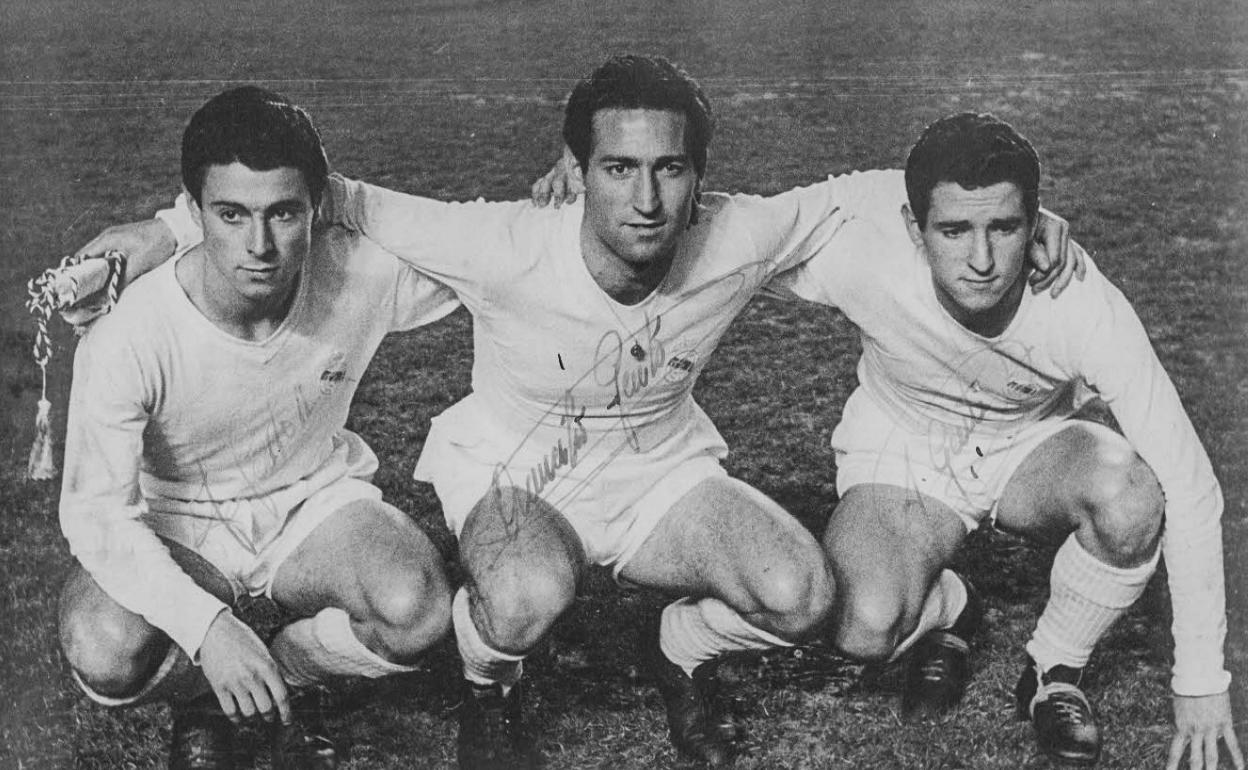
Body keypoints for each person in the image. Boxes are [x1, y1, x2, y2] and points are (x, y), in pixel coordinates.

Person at [68, 56, 1078, 769]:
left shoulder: (734, 235)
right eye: (615, 167)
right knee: (510, 593)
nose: (644, 198)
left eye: (668, 169)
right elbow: (333, 196)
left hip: (651, 473)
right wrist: (163, 230)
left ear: (699, 179)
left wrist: (1027, 213)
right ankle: (452, 687)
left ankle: (677, 643)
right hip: (502, 474)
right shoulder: (498, 242)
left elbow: (866, 194)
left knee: (804, 590)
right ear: (576, 168)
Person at [766, 112, 1243, 770]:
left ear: (1035, 220)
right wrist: (577, 188)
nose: (983, 261)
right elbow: (717, 238)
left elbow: (1192, 490)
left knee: (1132, 497)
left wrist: (1200, 683)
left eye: (1005, 227)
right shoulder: (863, 251)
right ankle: (952, 609)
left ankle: (1055, 670)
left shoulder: (1080, 302)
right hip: (904, 447)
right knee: (864, 626)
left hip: (1028, 447)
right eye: (955, 230)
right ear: (915, 228)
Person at [56, 86, 459, 770]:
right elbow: (96, 516)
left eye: (284, 213)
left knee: (417, 610)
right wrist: (208, 630)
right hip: (178, 521)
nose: (261, 246)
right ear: (193, 213)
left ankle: (288, 672)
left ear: (318, 208)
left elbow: (482, 259)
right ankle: (209, 695)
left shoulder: (357, 271)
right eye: (231, 215)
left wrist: (571, 164)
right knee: (103, 645)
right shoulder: (130, 332)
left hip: (309, 501)